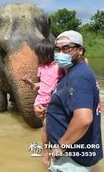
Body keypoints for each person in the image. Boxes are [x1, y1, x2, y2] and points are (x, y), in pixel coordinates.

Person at [35, 30, 103, 171]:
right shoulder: (74, 72)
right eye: (57, 49)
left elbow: (83, 119)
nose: (60, 53)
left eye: (67, 48)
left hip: (72, 158)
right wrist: (46, 110)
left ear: (80, 50)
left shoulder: (78, 77)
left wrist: (61, 146)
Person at [21, 39, 64, 166]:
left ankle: (56, 149)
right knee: (45, 127)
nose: (39, 58)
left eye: (40, 55)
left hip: (54, 100)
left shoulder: (59, 66)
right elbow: (44, 82)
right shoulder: (41, 67)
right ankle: (46, 151)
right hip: (42, 100)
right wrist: (34, 85)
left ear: (49, 54)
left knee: (52, 127)